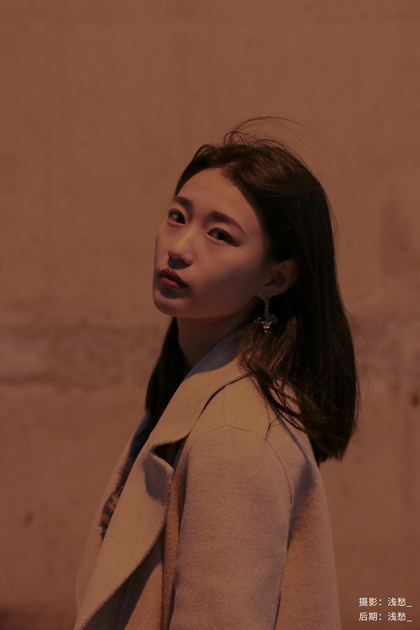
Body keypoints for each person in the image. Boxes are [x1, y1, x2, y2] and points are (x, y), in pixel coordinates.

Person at [73, 121, 358, 630]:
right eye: (177, 216)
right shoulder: (192, 393)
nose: (179, 247)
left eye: (219, 234)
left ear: (276, 277)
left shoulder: (235, 436)